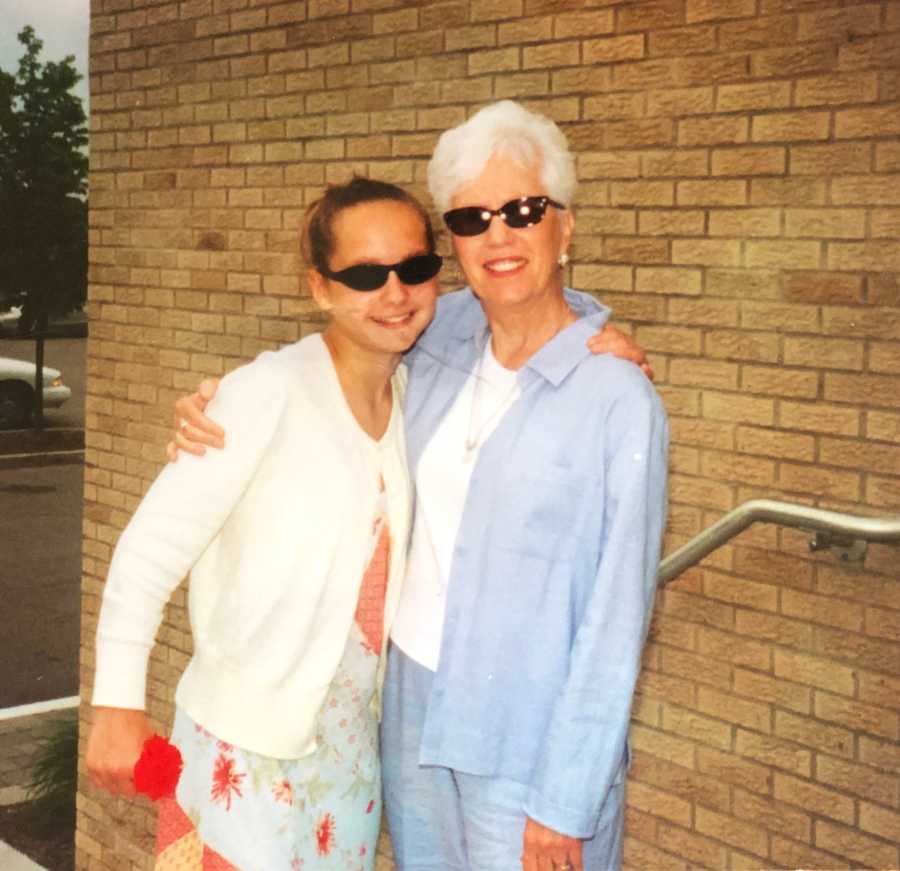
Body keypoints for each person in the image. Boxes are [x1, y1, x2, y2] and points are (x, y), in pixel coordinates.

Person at [172, 100, 668, 871]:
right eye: (471, 219)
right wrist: (216, 401)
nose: (498, 236)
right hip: (410, 720)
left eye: (524, 210)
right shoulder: (435, 333)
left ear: (565, 227)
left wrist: (566, 797)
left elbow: (616, 618)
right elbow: (335, 348)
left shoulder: (615, 396)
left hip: (528, 747)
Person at [86, 177, 444, 869]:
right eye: (367, 274)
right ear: (321, 287)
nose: (396, 292)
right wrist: (117, 706)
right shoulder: (264, 393)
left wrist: (595, 336)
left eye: (415, 267)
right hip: (240, 752)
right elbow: (146, 555)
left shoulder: (409, 396)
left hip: (346, 759)